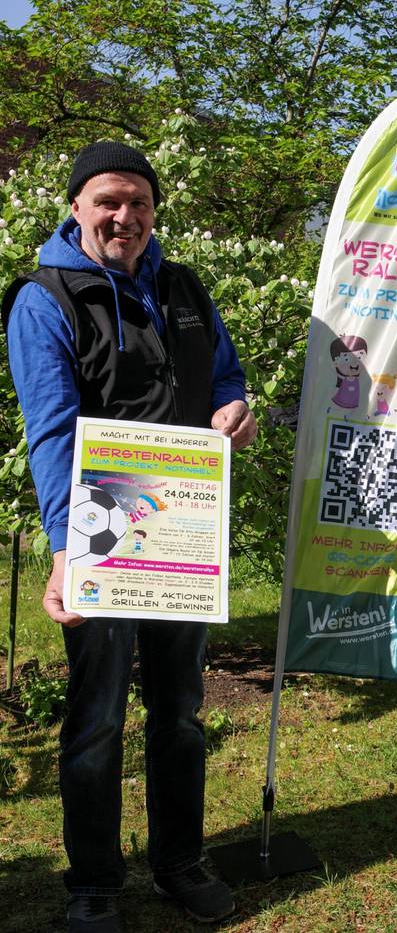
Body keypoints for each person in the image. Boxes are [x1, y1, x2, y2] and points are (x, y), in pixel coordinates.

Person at [2, 141, 257, 931]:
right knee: (99, 715)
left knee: (180, 710)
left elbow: (226, 373)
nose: (126, 215)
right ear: (77, 205)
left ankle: (180, 860)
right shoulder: (44, 300)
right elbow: (51, 432)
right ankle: (93, 884)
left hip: (181, 530)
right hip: (104, 535)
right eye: (109, 200)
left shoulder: (183, 286)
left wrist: (231, 409)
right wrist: (63, 551)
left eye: (140, 202)